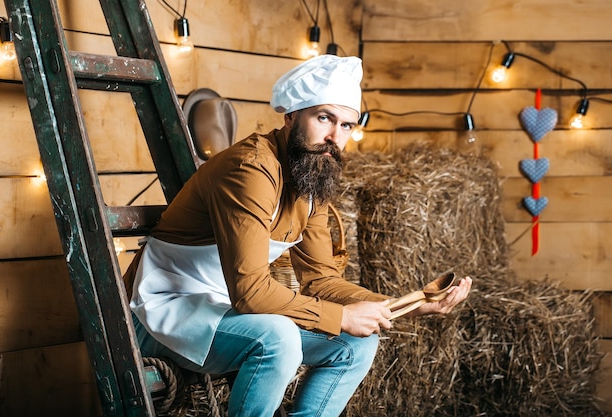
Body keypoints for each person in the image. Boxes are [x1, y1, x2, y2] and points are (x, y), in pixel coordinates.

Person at [126, 54, 472, 417]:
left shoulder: (311, 176)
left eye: (347, 125)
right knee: (280, 338)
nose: (334, 137)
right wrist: (339, 317)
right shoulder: (252, 170)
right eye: (324, 118)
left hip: (225, 313)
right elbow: (251, 292)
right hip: (165, 311)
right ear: (291, 115)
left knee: (355, 345)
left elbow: (321, 280)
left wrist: (410, 305)